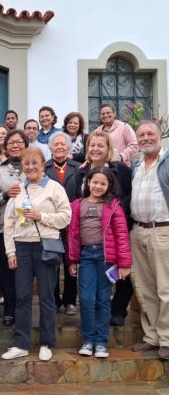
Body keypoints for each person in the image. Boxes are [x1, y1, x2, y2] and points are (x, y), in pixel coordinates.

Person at [1, 147, 71, 361]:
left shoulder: (54, 188)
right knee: (21, 296)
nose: (30, 167)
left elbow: (66, 216)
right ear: (22, 166)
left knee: (46, 297)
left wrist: (42, 216)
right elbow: (9, 221)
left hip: (45, 246)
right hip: (21, 247)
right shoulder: (18, 190)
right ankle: (21, 343)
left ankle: (46, 343)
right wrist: (10, 251)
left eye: (35, 163)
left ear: (43, 165)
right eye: (26, 163)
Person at [67, 167, 131, 358]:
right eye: (95, 182)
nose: (98, 186)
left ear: (109, 186)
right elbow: (72, 235)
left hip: (106, 259)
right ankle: (88, 340)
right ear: (88, 182)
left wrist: (124, 263)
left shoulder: (113, 206)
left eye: (103, 183)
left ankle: (101, 342)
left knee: (103, 300)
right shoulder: (77, 205)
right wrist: (72, 260)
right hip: (86, 257)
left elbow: (121, 235)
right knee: (86, 299)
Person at [79, 130, 133, 326]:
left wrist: (115, 211)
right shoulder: (82, 171)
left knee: (122, 271)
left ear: (109, 148)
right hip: (90, 237)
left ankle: (118, 310)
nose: (95, 149)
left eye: (100, 145)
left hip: (117, 230)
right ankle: (97, 311)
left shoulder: (121, 170)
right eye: (92, 145)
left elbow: (130, 195)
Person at [130, 121, 169, 360]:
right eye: (141, 134)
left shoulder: (167, 162)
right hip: (138, 231)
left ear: (160, 136)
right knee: (145, 289)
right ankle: (152, 335)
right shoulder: (136, 166)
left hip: (162, 231)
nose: (145, 138)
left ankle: (166, 338)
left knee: (165, 287)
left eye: (150, 134)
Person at [0, 129, 28, 326]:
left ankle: (23, 310)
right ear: (5, 146)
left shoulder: (33, 166)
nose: (15, 145)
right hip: (6, 227)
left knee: (25, 273)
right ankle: (9, 311)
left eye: (19, 142)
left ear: (26, 145)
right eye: (11, 142)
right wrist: (5, 195)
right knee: (6, 272)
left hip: (29, 228)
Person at [45, 132, 82, 315]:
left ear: (68, 148)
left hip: (72, 222)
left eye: (63, 144)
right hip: (51, 221)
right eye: (56, 144)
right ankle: (54, 299)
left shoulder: (78, 168)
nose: (59, 147)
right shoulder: (44, 169)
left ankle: (70, 300)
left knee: (71, 261)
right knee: (52, 262)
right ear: (50, 148)